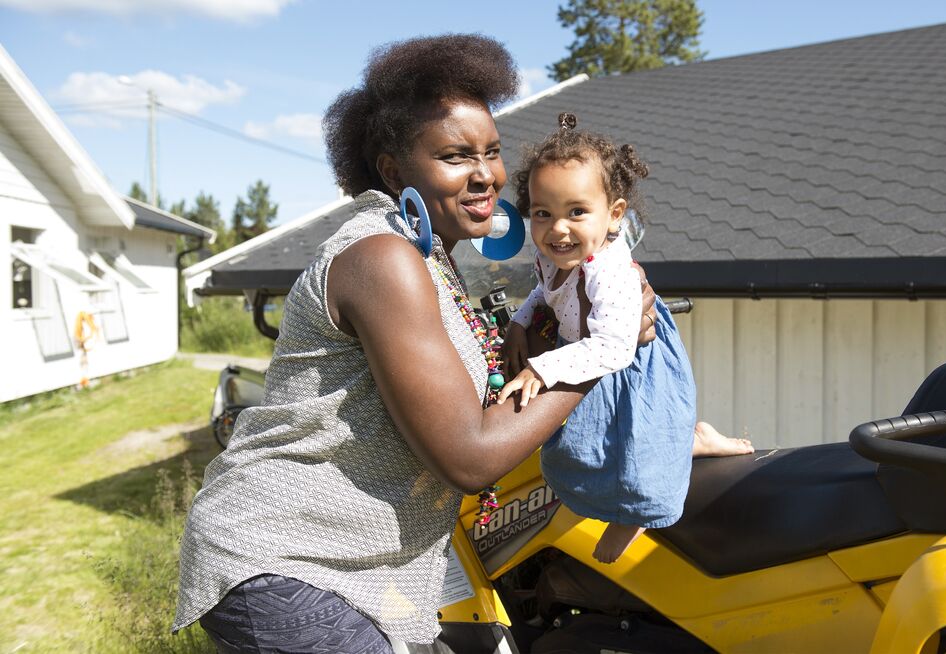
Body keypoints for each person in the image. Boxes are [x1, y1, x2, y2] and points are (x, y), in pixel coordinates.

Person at [171, 35, 660, 652]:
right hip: (282, 560)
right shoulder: (383, 258)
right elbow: (469, 455)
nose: (485, 174)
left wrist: (583, 304)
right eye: (456, 156)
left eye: (492, 151)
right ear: (393, 170)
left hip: (335, 564)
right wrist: (602, 346)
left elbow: (491, 394)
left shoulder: (432, 259)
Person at [498, 114, 752, 564]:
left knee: (637, 449)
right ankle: (695, 440)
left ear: (613, 215)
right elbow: (543, 292)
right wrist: (520, 321)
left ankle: (635, 516)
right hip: (587, 354)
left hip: (629, 364)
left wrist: (543, 366)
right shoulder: (554, 255)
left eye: (577, 212)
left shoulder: (607, 269)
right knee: (582, 447)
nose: (558, 228)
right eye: (543, 213)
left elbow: (615, 347)